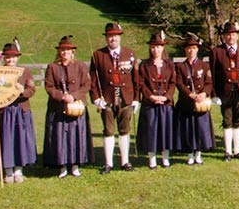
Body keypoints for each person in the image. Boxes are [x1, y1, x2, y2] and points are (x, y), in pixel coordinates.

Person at [88, 22, 137, 175]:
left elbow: (136, 79)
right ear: (106, 38)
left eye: (115, 36)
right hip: (107, 99)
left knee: (124, 130)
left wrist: (136, 99)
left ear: (120, 37)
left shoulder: (129, 54)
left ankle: (125, 162)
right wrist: (96, 99)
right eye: (110, 36)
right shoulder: (98, 55)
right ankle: (108, 163)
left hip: (125, 98)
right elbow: (92, 80)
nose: (112, 39)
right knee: (108, 131)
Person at [43, 35, 93, 178]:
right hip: (58, 108)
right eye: (62, 50)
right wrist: (62, 96)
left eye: (68, 50)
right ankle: (62, 166)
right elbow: (49, 86)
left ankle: (75, 165)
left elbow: (86, 85)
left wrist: (74, 96)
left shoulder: (80, 66)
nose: (65, 52)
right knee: (60, 137)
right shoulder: (52, 67)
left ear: (73, 52)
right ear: (59, 51)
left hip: (77, 107)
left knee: (76, 136)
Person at [0, 40, 36, 184]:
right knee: (6, 140)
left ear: (17, 57)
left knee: (20, 140)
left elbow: (32, 89)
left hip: (21, 110)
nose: (11, 59)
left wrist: (23, 91)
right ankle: (8, 171)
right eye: (8, 57)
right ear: (3, 58)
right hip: (5, 111)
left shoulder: (25, 71)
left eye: (13, 57)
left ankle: (18, 171)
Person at [210, 21, 239, 161]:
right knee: (227, 120)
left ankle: (238, 151)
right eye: (228, 35)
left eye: (233, 34)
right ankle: (228, 152)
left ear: (237, 36)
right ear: (224, 37)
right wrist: (214, 94)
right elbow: (212, 74)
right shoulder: (217, 52)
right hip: (225, 91)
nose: (231, 37)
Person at [173, 32, 215, 165]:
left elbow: (209, 83)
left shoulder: (204, 65)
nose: (191, 51)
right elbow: (179, 83)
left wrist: (204, 94)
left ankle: (198, 153)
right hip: (186, 103)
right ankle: (190, 153)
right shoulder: (180, 66)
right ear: (186, 50)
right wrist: (190, 94)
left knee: (200, 129)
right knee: (187, 129)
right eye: (189, 48)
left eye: (194, 48)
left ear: (198, 49)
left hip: (200, 103)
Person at [136, 32, 175, 169]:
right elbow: (141, 84)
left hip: (165, 103)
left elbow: (172, 83)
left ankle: (165, 157)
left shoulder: (169, 64)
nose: (155, 50)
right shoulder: (144, 65)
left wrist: (166, 97)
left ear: (163, 48)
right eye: (153, 47)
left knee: (165, 130)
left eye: (158, 47)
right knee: (151, 131)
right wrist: (151, 97)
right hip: (150, 103)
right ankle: (152, 159)